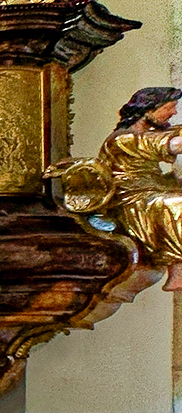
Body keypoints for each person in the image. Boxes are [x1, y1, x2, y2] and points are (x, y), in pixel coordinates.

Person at [59, 87, 182, 291]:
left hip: (151, 194)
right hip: (131, 202)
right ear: (148, 110)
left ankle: (178, 270)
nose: (173, 113)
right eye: (169, 108)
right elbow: (172, 145)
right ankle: (177, 271)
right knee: (178, 206)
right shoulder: (122, 139)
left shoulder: (144, 134)